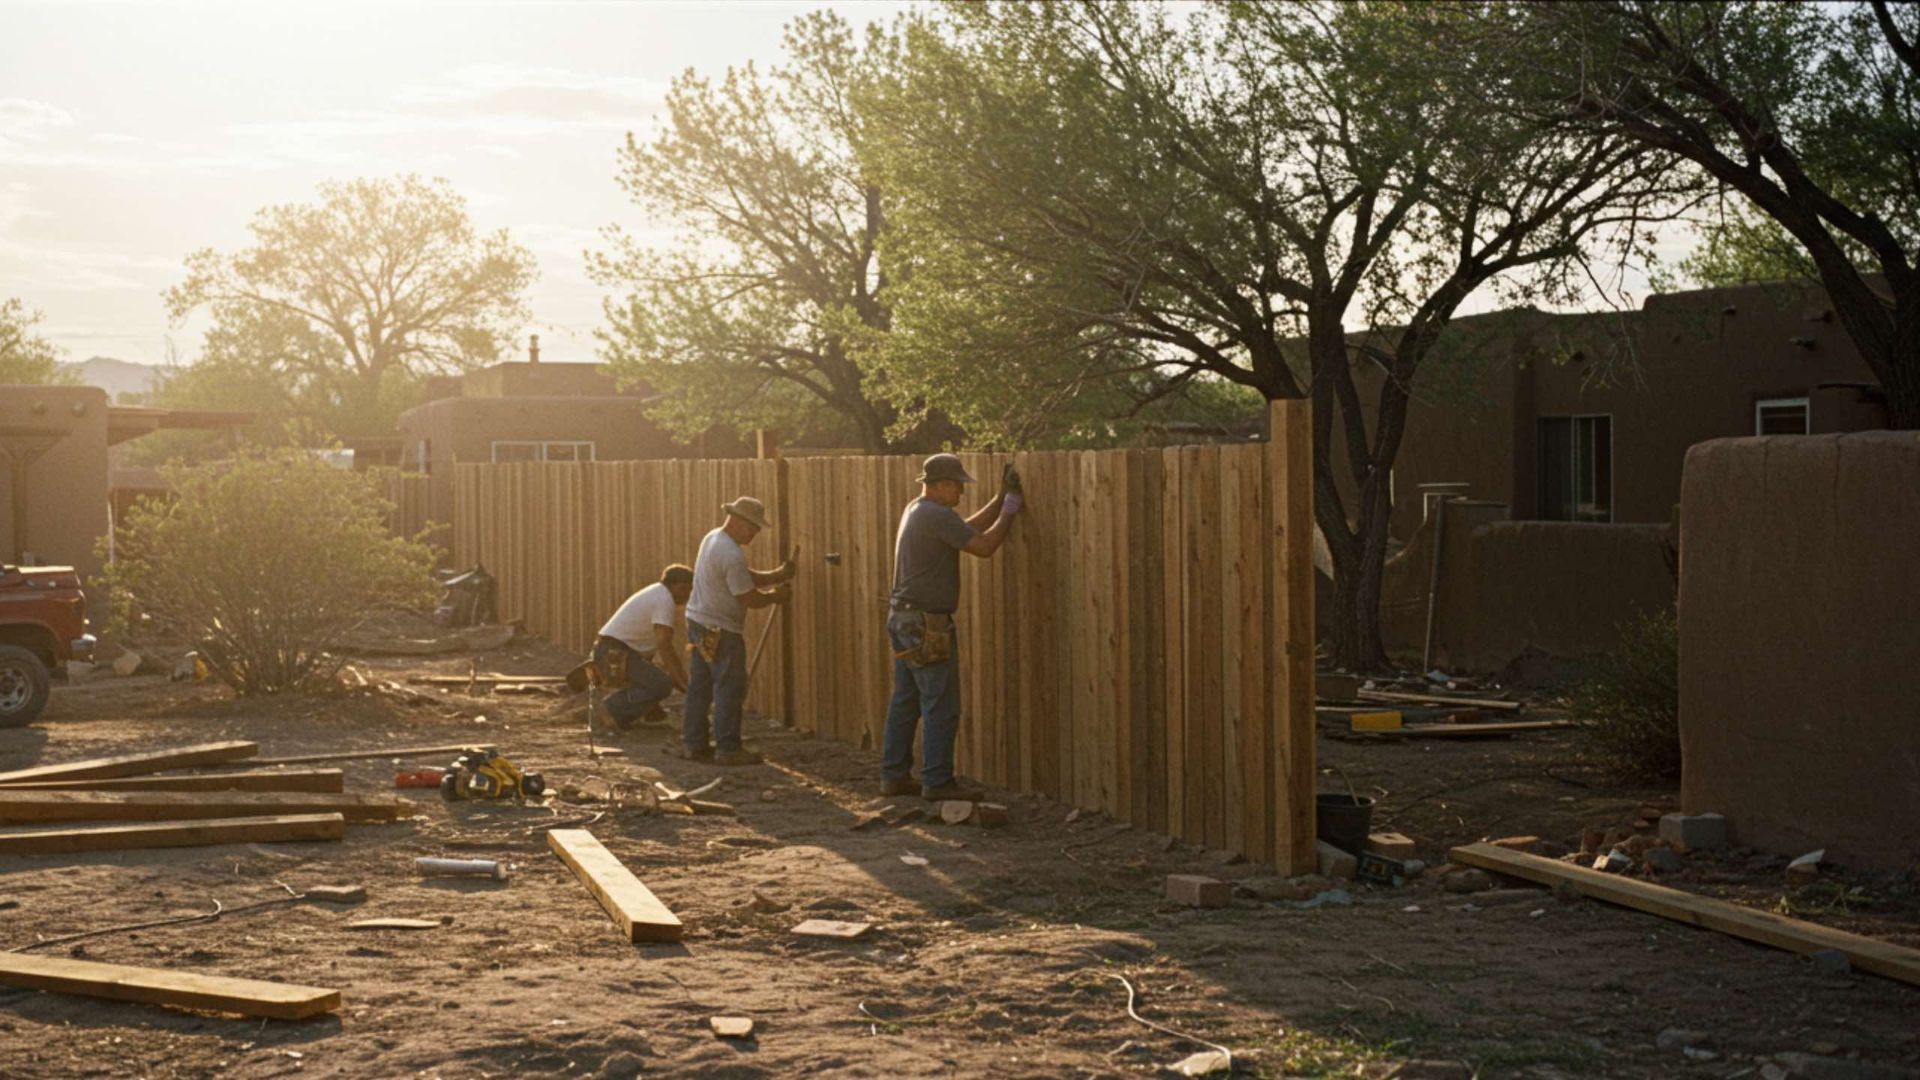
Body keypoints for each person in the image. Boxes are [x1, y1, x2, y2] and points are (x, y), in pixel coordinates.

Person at [882, 453, 1021, 801]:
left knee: (906, 701)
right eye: (957, 487)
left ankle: (894, 775)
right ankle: (937, 782)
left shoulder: (918, 509)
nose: (960, 493)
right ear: (942, 486)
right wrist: (1009, 512)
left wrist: (1000, 497)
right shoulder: (935, 514)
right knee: (941, 704)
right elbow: (984, 545)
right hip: (927, 622)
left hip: (903, 617)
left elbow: (966, 528)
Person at [683, 495, 794, 765]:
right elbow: (747, 597)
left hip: (698, 623)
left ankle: (693, 744)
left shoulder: (713, 539)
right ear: (738, 521)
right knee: (729, 689)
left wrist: (776, 575)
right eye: (754, 527)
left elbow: (742, 574)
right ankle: (728, 749)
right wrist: (774, 596)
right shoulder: (731, 553)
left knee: (700, 687)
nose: (755, 533)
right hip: (722, 631)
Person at [591, 563, 693, 730]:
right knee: (661, 684)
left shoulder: (656, 592)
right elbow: (664, 644)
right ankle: (611, 708)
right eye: (683, 589)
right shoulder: (664, 600)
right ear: (671, 585)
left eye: (689, 590)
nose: (686, 595)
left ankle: (647, 714)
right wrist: (677, 676)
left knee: (655, 678)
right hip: (613, 654)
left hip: (612, 651)